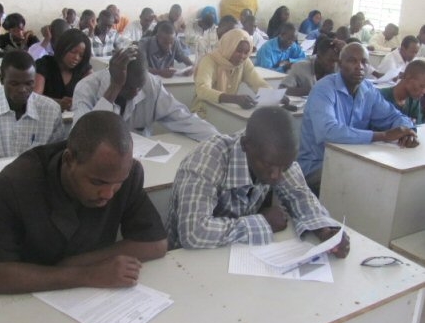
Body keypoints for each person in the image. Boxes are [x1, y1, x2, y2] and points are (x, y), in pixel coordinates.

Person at [0, 110, 167, 294]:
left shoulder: (128, 174)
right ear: (69, 159)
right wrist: (88, 274)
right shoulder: (17, 183)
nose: (108, 193)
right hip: (31, 297)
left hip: (91, 299)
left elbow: (156, 243)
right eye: (97, 181)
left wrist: (78, 263)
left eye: (118, 183)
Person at [166, 106, 350, 256]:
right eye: (269, 166)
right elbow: (193, 233)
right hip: (188, 258)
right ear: (246, 145)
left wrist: (323, 228)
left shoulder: (276, 157)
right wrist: (262, 222)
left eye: (284, 167)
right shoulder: (207, 160)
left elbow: (300, 196)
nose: (277, 176)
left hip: (241, 253)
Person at [298, 43, 418, 195]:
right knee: (368, 183)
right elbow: (327, 131)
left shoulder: (367, 90)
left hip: (352, 160)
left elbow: (394, 116)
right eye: (352, 61)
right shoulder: (324, 89)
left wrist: (408, 131)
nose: (359, 66)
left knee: (387, 181)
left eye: (364, 62)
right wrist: (382, 135)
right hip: (318, 164)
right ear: (340, 64)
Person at [73, 47, 218, 142]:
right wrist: (114, 87)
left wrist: (218, 140)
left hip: (140, 162)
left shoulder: (151, 84)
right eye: (128, 87)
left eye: (139, 86)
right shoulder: (86, 88)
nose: (135, 92)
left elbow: (183, 118)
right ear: (114, 76)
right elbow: (81, 139)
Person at [0, 51, 65, 161]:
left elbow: (54, 160)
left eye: (29, 83)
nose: (22, 90)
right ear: (2, 80)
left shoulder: (51, 111)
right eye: (14, 84)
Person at [192, 29, 270, 117]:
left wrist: (275, 96)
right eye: (239, 51)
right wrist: (233, 99)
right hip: (204, 111)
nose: (242, 56)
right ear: (229, 47)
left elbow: (258, 83)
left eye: (246, 52)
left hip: (228, 110)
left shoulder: (244, 63)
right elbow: (202, 90)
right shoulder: (209, 61)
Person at [35, 29, 92, 111]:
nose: (76, 58)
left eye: (81, 55)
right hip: (46, 114)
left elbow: (93, 94)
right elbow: (34, 97)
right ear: (62, 48)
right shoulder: (44, 64)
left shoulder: (84, 69)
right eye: (73, 52)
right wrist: (58, 102)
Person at [379, 60, 425, 125]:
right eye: (421, 86)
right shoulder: (381, 97)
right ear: (408, 78)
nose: (424, 91)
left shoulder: (414, 100)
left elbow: (418, 126)